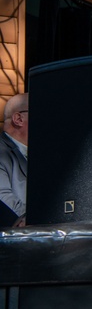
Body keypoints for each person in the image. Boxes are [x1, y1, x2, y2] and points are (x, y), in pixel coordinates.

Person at [0, 93, 28, 227]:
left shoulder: (44, 155)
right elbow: (3, 197)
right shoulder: (2, 151)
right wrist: (40, 218)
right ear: (18, 119)